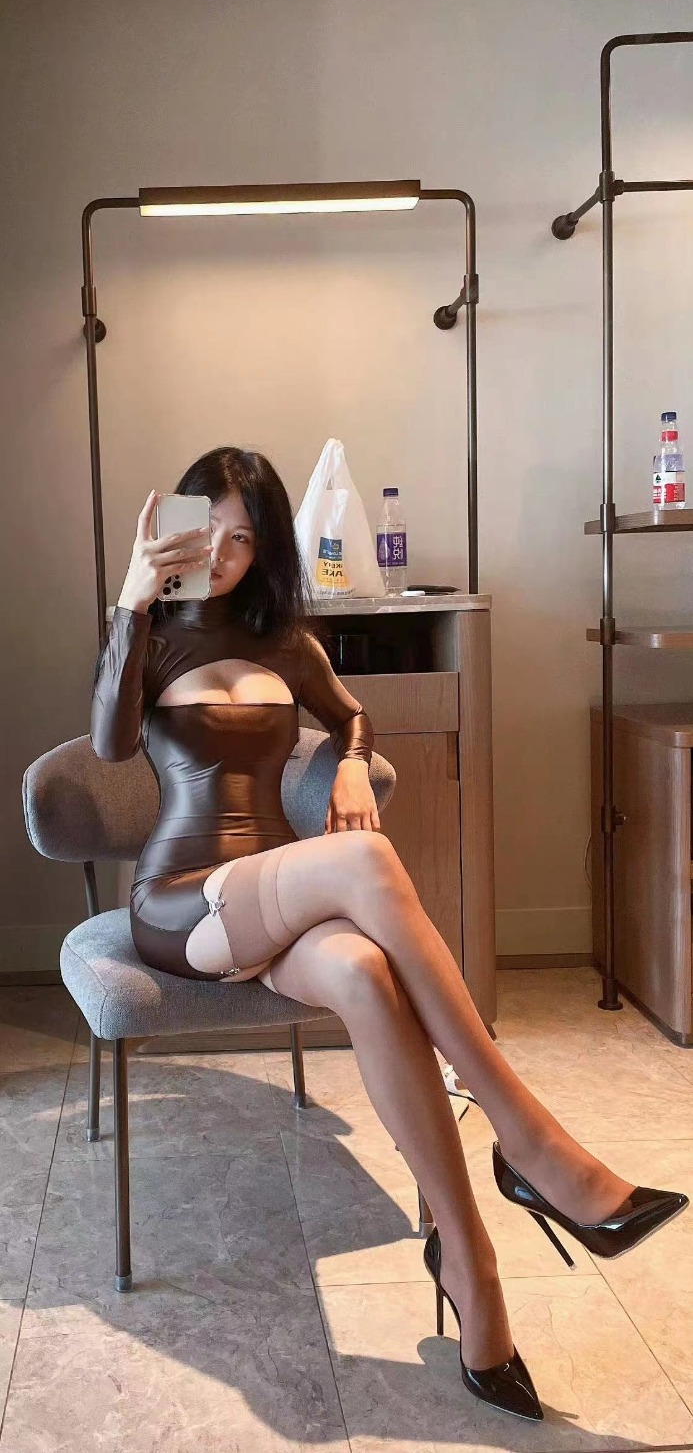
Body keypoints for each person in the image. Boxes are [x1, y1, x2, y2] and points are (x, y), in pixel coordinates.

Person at [90, 445, 688, 1423]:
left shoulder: (287, 643)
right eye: (211, 535)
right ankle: (532, 1144)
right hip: (181, 907)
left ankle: (469, 1262)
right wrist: (131, 599)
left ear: (266, 546)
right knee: (365, 861)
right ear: (178, 533)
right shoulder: (148, 638)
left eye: (245, 538)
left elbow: (353, 719)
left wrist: (349, 760)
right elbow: (110, 744)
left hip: (274, 906)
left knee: (366, 971)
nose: (226, 556)